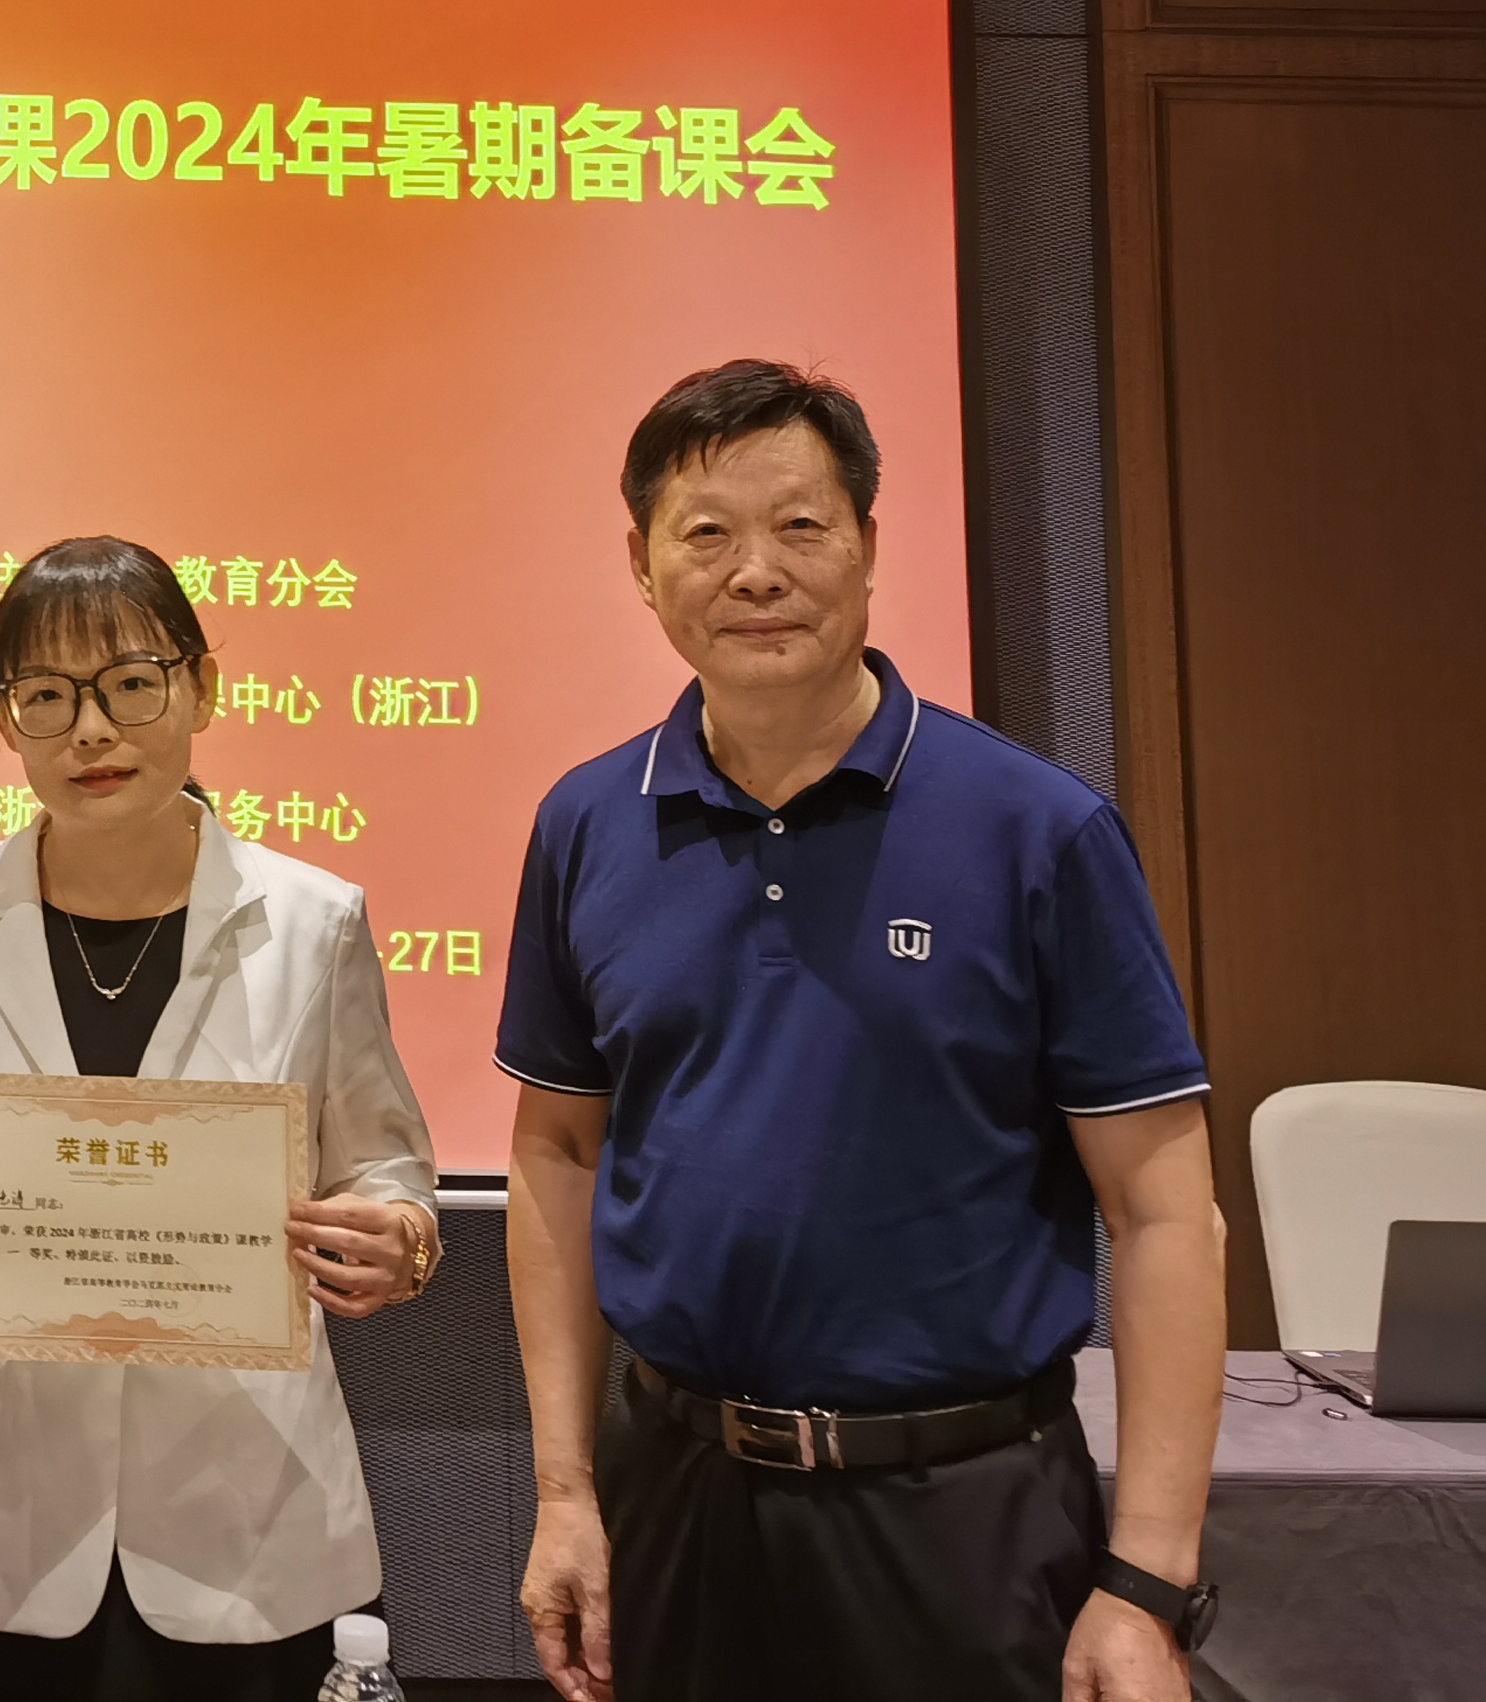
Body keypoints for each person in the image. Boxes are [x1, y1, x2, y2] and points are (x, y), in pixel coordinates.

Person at [503, 360, 1226, 1702]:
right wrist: (564, 1493)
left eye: (800, 526)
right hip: (682, 1500)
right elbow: (557, 1152)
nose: (755, 573)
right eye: (706, 534)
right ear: (642, 566)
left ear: (869, 546)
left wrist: (1145, 1582)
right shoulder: (587, 823)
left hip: (962, 1511)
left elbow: (1164, 1213)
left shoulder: (1037, 830)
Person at [0, 535, 441, 1702]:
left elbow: (385, 1165)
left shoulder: (315, 920)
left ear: (201, 687)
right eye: (45, 696)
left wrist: (401, 1238)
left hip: (248, 1506)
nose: (90, 730)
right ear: (2, 717)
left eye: (129, 683)